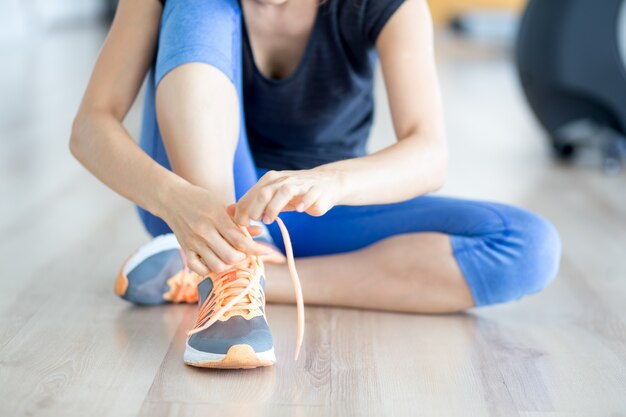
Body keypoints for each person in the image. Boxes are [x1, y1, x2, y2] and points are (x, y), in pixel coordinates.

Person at [70, 0, 562, 369]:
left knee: (528, 245)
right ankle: (225, 277)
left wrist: (333, 180)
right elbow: (90, 127)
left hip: (307, 213)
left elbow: (429, 153)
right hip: (192, 206)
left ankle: (237, 282)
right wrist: (175, 199)